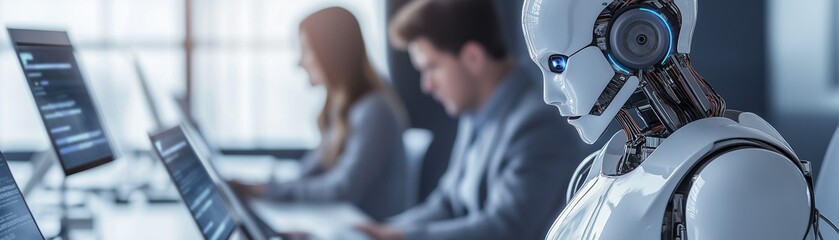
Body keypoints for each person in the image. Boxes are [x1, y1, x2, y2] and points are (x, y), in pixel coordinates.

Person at [523, 0, 820, 239]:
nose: (550, 95)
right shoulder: (597, 169)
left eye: (557, 64)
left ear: (637, 38)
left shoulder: (733, 176)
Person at [357, 0, 582, 239]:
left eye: (431, 67)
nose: (427, 85)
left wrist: (404, 237)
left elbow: (505, 229)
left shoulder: (538, 124)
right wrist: (382, 231)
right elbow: (447, 201)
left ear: (473, 57)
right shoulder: (475, 111)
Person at [230, 7, 410, 221]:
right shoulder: (341, 107)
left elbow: (342, 188)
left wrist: (265, 190)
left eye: (306, 49)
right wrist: (262, 185)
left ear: (330, 52)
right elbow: (307, 172)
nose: (299, 62)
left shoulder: (374, 111)